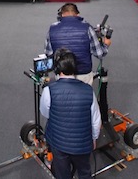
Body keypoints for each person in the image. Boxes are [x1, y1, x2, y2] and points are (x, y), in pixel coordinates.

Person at [40, 49, 101, 179]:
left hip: (58, 143)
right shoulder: (88, 91)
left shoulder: (48, 91)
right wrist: (94, 139)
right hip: (83, 145)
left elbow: (45, 113)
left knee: (62, 173)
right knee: (84, 171)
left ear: (57, 69)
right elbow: (96, 120)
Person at [45, 3, 111, 85]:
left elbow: (48, 54)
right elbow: (100, 54)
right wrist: (106, 44)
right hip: (84, 74)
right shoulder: (87, 28)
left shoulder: (52, 29)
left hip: (62, 74)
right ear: (78, 14)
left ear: (61, 14)